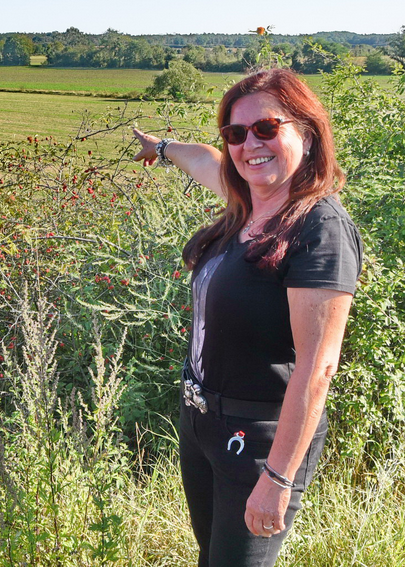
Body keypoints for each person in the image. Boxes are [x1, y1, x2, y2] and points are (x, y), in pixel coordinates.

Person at [132, 68, 362, 566]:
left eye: (266, 128)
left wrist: (277, 478)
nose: (247, 144)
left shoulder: (319, 229)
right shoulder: (249, 201)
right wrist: (163, 146)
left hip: (258, 438)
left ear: (306, 131)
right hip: (202, 423)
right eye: (236, 133)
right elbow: (203, 159)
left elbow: (318, 368)